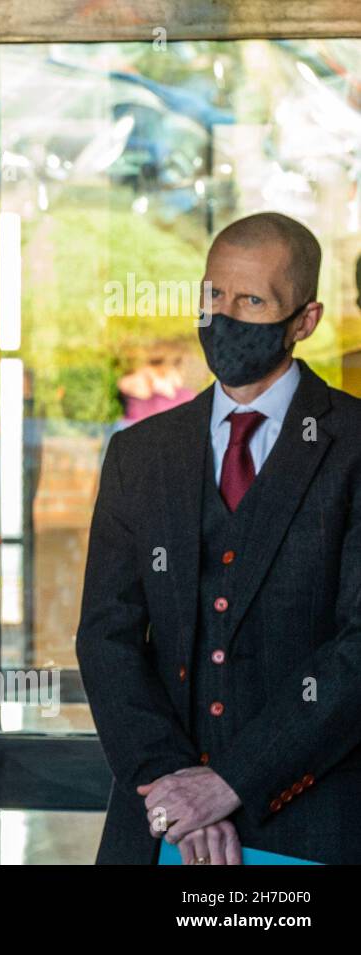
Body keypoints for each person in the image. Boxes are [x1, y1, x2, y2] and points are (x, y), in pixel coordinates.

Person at [76, 211, 361, 865]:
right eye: (213, 295)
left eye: (252, 300)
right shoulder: (139, 454)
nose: (224, 316)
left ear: (305, 321)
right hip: (160, 825)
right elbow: (106, 636)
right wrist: (173, 788)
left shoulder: (353, 445)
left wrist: (230, 783)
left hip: (315, 824)